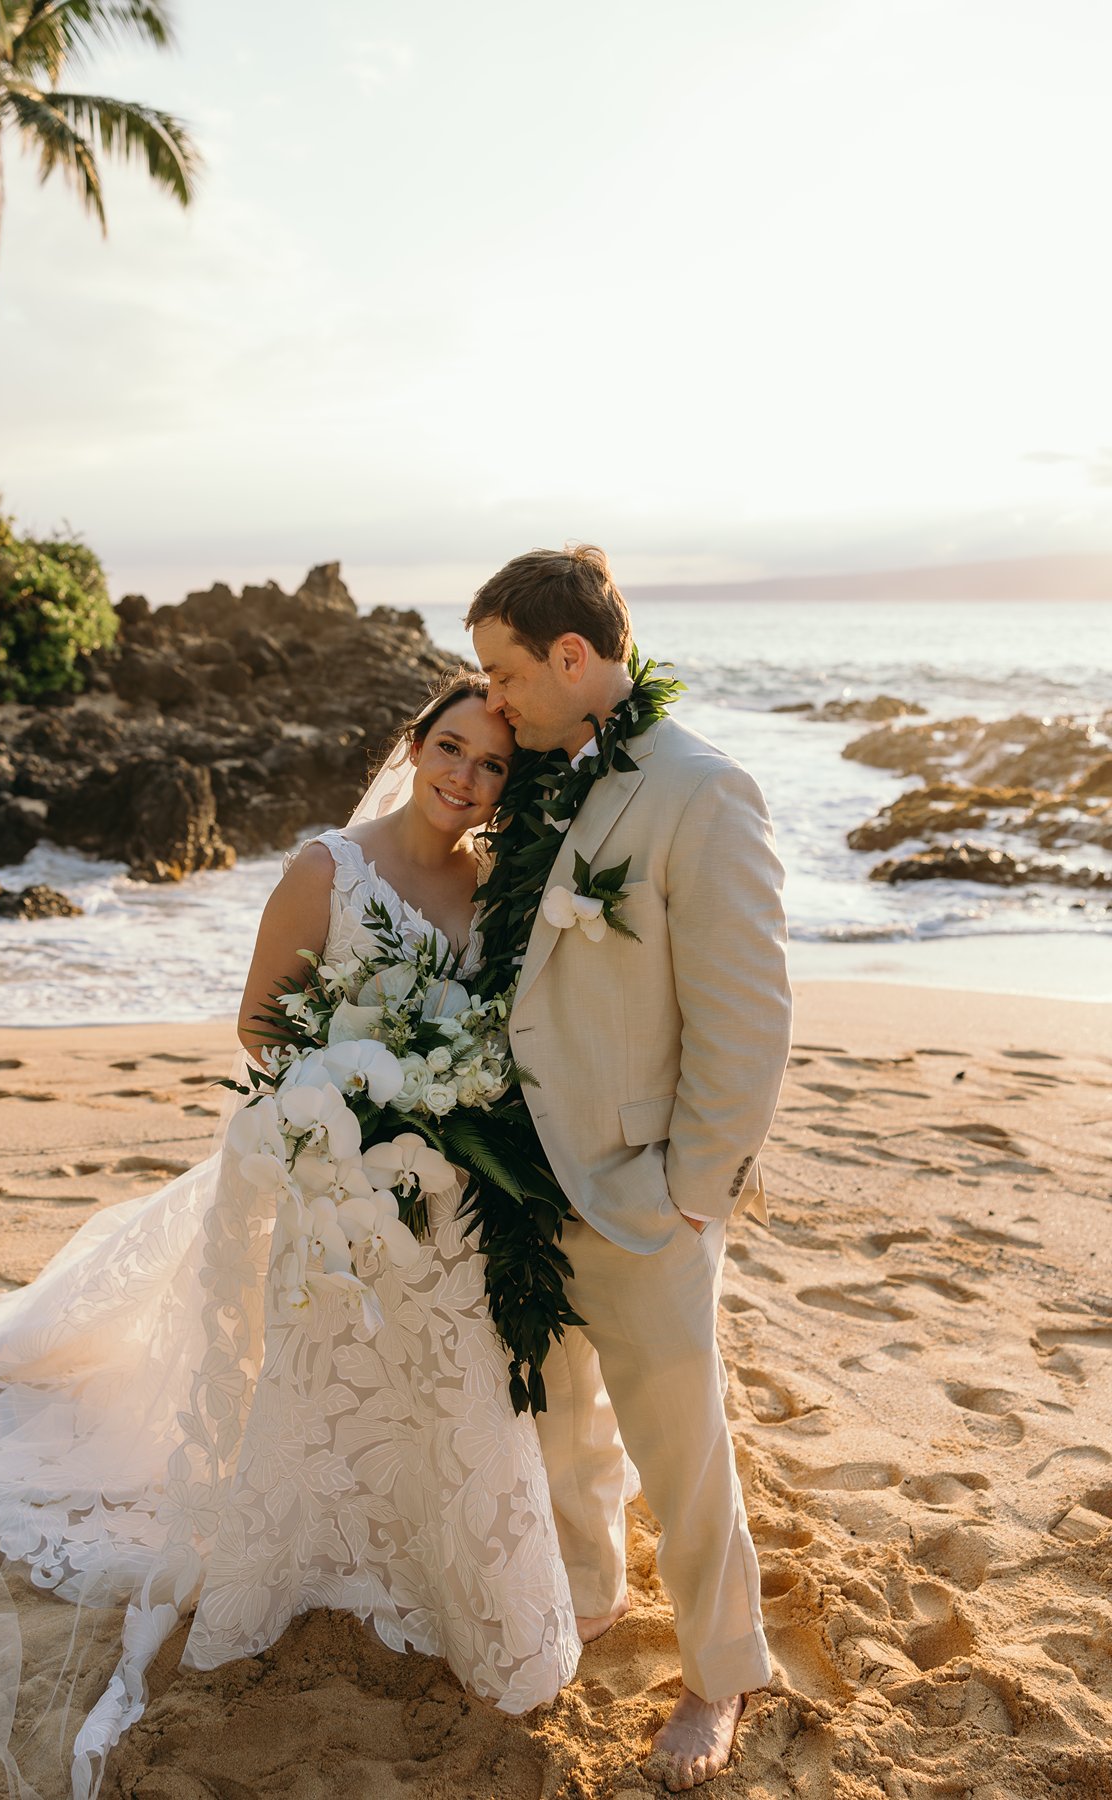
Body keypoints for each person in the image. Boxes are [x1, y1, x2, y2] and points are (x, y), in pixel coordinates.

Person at [0, 672, 580, 1800]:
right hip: (341, 1176)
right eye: (452, 748)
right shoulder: (329, 868)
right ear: (415, 743)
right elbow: (262, 1022)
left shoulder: (497, 885)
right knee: (324, 1379)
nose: (466, 778)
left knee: (458, 1386)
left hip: (451, 1194)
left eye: (493, 765)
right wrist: (363, 1108)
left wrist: (441, 1103)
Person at [467, 545, 793, 1793]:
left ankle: (723, 1670)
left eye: (503, 673)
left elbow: (747, 1018)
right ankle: (590, 1598)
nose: (490, 701)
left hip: (645, 1190)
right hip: (526, 1177)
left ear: (570, 657)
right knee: (558, 1416)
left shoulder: (704, 792)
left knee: (681, 1445)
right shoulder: (539, 781)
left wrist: (689, 1193)